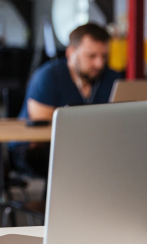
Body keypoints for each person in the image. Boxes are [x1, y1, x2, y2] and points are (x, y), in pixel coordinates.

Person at [10, 23, 120, 178]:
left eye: (104, 56)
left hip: (91, 145)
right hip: (35, 148)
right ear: (71, 53)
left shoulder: (112, 78)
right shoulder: (48, 76)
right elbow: (43, 130)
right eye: (91, 56)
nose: (99, 63)